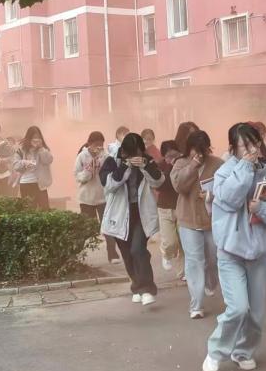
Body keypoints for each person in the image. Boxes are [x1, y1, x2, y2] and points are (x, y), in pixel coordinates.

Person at [202, 123, 266, 371]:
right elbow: (229, 199)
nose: (252, 150)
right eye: (245, 146)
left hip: (258, 253)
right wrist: (245, 168)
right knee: (238, 307)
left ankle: (243, 351)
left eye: (255, 144)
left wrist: (262, 209)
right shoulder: (224, 173)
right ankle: (216, 351)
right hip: (230, 252)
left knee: (256, 312)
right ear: (233, 148)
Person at [99, 132, 165, 306]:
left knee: (138, 249)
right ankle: (137, 286)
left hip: (141, 213)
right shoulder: (113, 161)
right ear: (124, 151)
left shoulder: (147, 160)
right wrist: (125, 166)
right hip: (120, 215)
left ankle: (146, 289)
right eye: (132, 153)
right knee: (127, 254)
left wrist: (144, 166)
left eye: (139, 152)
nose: (136, 156)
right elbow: (109, 185)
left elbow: (159, 181)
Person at [170, 130, 223, 319]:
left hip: (212, 221)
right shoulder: (180, 163)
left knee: (213, 258)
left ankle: (210, 282)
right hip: (188, 219)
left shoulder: (218, 164)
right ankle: (196, 305)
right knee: (194, 261)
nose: (199, 154)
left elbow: (227, 189)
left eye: (203, 150)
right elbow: (179, 187)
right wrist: (192, 166)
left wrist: (212, 195)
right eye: (195, 150)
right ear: (189, 149)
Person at [74, 131, 119, 265]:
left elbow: (111, 173)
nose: (98, 148)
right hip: (86, 198)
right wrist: (89, 170)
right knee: (87, 227)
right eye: (96, 145)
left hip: (103, 197)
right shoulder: (82, 156)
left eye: (101, 145)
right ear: (89, 144)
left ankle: (112, 254)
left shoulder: (106, 156)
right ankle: (75, 252)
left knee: (107, 227)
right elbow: (78, 176)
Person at [156, 140, 184, 272]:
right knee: (170, 242)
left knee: (183, 242)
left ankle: (183, 272)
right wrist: (170, 168)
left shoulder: (184, 164)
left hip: (182, 206)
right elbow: (160, 185)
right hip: (165, 207)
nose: (172, 159)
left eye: (175, 155)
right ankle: (166, 253)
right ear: (163, 156)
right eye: (168, 156)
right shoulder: (160, 166)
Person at [13, 126, 53, 210]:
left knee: (45, 210)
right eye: (34, 138)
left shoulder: (43, 149)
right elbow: (16, 165)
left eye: (38, 137)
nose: (36, 140)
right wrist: (24, 162)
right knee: (29, 210)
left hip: (40, 185)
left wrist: (41, 148)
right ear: (29, 138)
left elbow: (48, 160)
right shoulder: (21, 149)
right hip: (26, 183)